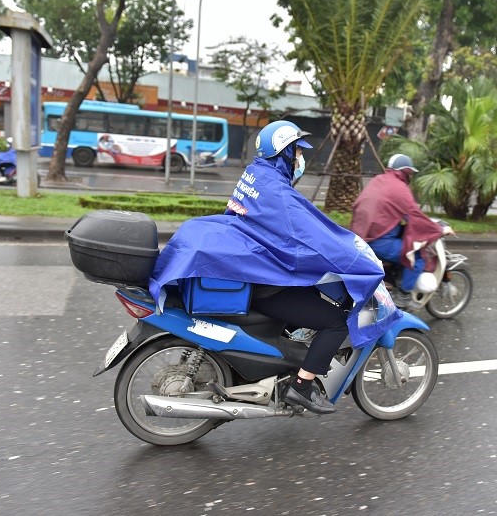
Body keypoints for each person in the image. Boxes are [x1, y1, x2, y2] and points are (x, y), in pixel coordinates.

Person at [150, 121, 402, 415]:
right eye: (296, 152)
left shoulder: (256, 176)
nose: (300, 159)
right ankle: (302, 387)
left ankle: (280, 368)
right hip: (266, 283)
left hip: (253, 268)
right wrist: (358, 260)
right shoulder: (280, 196)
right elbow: (316, 236)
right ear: (284, 153)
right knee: (335, 320)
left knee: (308, 299)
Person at [350, 153, 454, 309]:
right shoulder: (400, 188)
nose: (410, 176)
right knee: (417, 256)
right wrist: (439, 229)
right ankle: (404, 295)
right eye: (410, 173)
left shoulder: (378, 181)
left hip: (360, 237)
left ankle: (394, 277)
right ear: (405, 172)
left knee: (403, 234)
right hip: (378, 241)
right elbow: (414, 215)